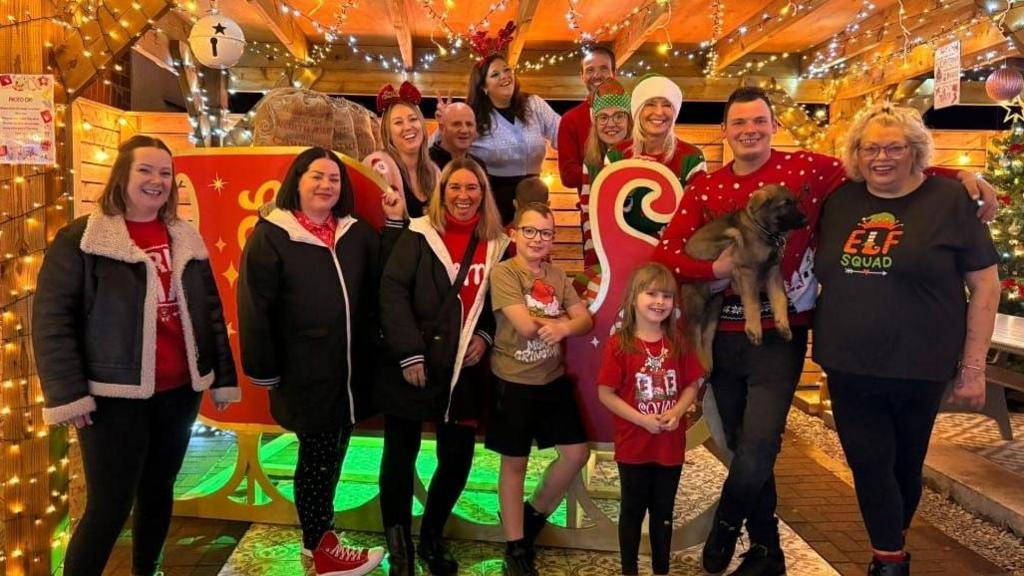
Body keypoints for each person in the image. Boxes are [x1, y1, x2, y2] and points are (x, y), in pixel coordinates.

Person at [654, 86, 998, 576]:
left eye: (758, 121)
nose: (749, 130)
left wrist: (961, 175)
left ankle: (728, 522)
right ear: (725, 132)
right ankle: (771, 549)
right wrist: (716, 270)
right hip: (726, 337)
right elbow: (666, 254)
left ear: (773, 125)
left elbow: (893, 173)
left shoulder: (809, 171)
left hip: (782, 334)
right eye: (738, 123)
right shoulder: (707, 187)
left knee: (759, 444)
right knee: (737, 443)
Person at [31, 135, 239, 576]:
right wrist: (68, 394)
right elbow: (53, 321)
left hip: (179, 393)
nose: (156, 180)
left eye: (165, 173)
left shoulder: (184, 236)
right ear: (122, 175)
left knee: (159, 491)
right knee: (109, 506)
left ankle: (149, 569)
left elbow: (210, 313)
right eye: (145, 170)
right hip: (111, 397)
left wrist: (221, 377)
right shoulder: (83, 239)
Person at [813, 104, 1000, 576]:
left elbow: (985, 285)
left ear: (914, 151)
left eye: (894, 147)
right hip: (848, 360)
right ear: (855, 154)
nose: (882, 157)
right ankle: (889, 560)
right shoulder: (839, 200)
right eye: (870, 148)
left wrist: (973, 367)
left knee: (904, 466)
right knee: (869, 462)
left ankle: (889, 547)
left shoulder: (951, 201)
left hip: (922, 363)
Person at [237, 147, 406, 575]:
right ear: (298, 180)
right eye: (318, 176)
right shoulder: (273, 234)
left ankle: (317, 546)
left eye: (334, 178)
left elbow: (387, 267)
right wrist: (263, 368)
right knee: (316, 459)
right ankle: (321, 545)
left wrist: (395, 220)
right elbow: (255, 307)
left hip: (348, 370)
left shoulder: (353, 232)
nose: (326, 185)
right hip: (303, 371)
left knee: (332, 454)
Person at [377, 157, 509, 576]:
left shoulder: (499, 245)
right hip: (413, 363)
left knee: (456, 458)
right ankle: (399, 547)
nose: (463, 196)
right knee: (400, 453)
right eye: (455, 187)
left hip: (464, 369)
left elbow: (498, 304)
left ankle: (432, 536)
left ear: (483, 195)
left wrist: (485, 338)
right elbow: (392, 291)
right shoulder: (419, 235)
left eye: (473, 188)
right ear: (442, 192)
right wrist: (408, 352)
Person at [485, 202, 593, 575]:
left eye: (545, 233)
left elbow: (585, 320)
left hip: (552, 380)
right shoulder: (505, 273)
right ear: (515, 234)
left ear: (552, 239)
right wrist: (564, 321)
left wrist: (564, 327)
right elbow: (525, 324)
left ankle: (529, 519)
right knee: (514, 462)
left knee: (576, 453)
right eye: (529, 231)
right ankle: (516, 547)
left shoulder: (558, 276)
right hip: (513, 381)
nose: (537, 239)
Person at [596, 263, 703, 576]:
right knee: (632, 509)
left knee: (663, 512)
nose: (660, 302)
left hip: (669, 446)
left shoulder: (679, 342)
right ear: (633, 298)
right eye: (651, 293)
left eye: (667, 296)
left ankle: (661, 570)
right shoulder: (620, 345)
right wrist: (641, 420)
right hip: (633, 445)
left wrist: (677, 411)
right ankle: (629, 570)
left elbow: (691, 386)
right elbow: (606, 393)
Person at [608, 74, 706, 238]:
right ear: (638, 110)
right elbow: (606, 214)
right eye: (650, 104)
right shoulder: (617, 156)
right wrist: (627, 180)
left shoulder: (692, 158)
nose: (659, 112)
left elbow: (694, 217)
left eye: (667, 104)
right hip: (624, 251)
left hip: (672, 252)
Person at [467, 52, 561, 225]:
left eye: (507, 70)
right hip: (495, 203)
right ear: (483, 87)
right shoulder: (474, 116)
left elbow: (563, 134)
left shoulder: (534, 104)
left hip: (535, 197)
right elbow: (443, 143)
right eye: (495, 74)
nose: (505, 76)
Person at [364, 81, 440, 218]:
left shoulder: (434, 172)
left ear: (422, 125)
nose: (408, 127)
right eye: (398, 122)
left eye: (413, 119)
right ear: (388, 132)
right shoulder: (376, 165)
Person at [579, 78, 632, 271]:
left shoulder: (639, 158)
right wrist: (593, 259)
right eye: (603, 117)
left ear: (629, 120)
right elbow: (587, 213)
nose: (611, 124)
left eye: (619, 116)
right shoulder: (591, 163)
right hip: (602, 253)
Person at [557, 45, 617, 192]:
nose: (597, 75)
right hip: (591, 209)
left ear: (614, 73)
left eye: (604, 68)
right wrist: (613, 172)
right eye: (590, 70)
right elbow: (568, 176)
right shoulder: (570, 119)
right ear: (582, 75)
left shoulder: (633, 113)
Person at [429, 101, 487, 172]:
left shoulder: (478, 165)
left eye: (469, 124)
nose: (464, 130)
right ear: (442, 128)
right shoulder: (425, 163)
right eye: (456, 124)